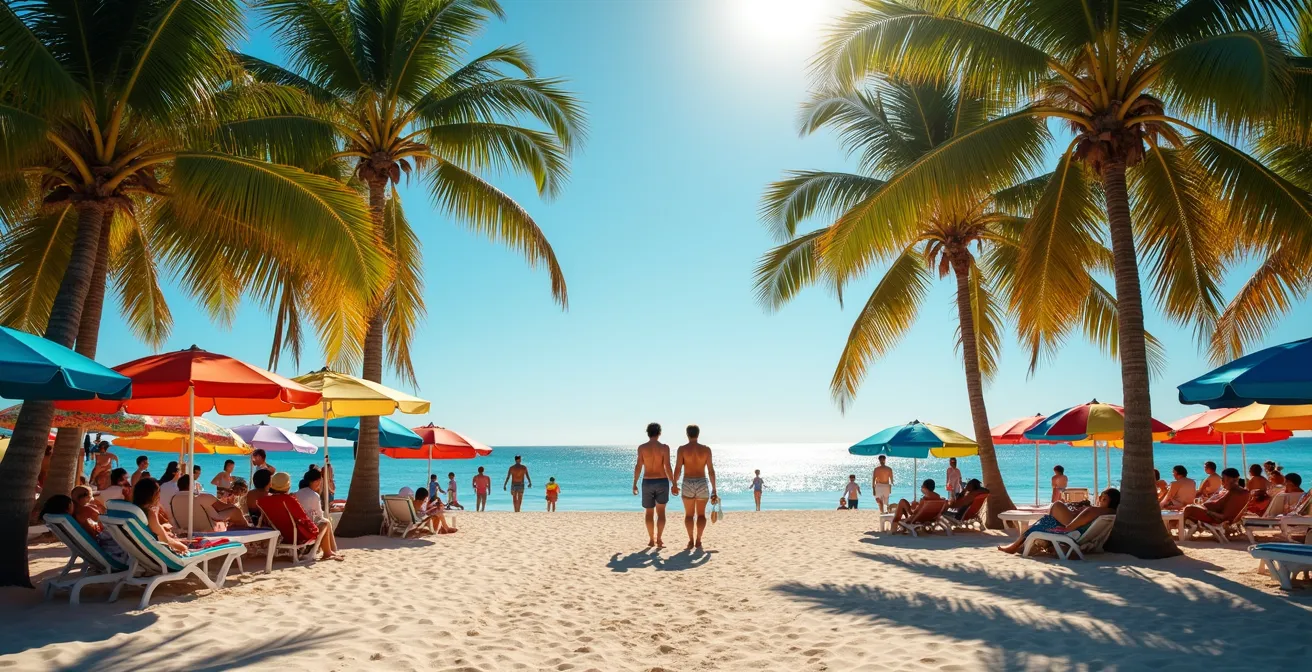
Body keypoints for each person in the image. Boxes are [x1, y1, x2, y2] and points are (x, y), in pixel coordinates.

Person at [998, 488, 1120, 554]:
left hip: (1073, 532)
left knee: (1054, 509)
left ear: (1112, 502)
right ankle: (1021, 545)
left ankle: (1016, 546)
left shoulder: (1103, 510)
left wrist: (1068, 527)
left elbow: (1088, 513)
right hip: (1077, 531)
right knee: (1048, 518)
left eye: (1104, 499)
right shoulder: (1109, 512)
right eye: (1100, 497)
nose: (1100, 499)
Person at [263, 471, 343, 561]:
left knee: (324, 522)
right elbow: (303, 517)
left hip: (280, 534)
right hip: (297, 535)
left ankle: (330, 551)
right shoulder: (290, 499)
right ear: (287, 486)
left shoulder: (265, 500)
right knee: (324, 524)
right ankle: (327, 553)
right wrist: (313, 528)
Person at [673, 424, 717, 550]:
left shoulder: (682, 449)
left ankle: (691, 540)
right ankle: (698, 540)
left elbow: (678, 469)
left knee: (689, 515)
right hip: (702, 482)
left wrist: (675, 484)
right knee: (701, 515)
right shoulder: (706, 450)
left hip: (688, 482)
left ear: (687, 434)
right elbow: (711, 471)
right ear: (698, 434)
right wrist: (714, 489)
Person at [633, 422, 674, 548]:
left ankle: (651, 539)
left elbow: (638, 466)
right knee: (661, 512)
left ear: (648, 433)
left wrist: (635, 483)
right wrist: (674, 483)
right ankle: (659, 539)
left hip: (647, 481)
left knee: (649, 512)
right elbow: (667, 467)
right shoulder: (664, 448)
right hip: (662, 481)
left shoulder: (642, 448)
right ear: (659, 433)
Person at [133, 478, 189, 555]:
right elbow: (164, 539)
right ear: (153, 494)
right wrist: (184, 548)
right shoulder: (150, 513)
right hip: (155, 553)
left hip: (140, 551)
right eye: (158, 491)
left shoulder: (135, 510)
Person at [1182, 468, 1250, 531]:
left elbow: (1225, 516)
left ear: (1233, 480)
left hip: (1215, 518)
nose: (1222, 480)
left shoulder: (1236, 493)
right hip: (1210, 513)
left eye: (1224, 478)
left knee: (1188, 508)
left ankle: (1179, 528)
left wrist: (1208, 512)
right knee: (1185, 509)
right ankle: (1182, 527)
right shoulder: (1229, 490)